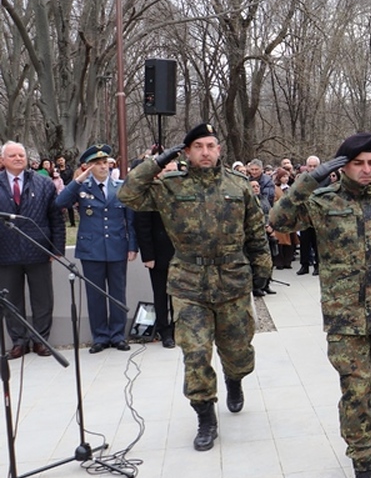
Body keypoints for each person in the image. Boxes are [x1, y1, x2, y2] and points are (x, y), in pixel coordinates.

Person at [269, 132, 371, 478]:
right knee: (356, 391)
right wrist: (311, 178)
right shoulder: (322, 202)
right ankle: (364, 463)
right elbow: (279, 219)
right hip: (345, 317)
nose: (368, 170)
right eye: (359, 163)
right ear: (343, 166)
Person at [119, 123, 272, 452]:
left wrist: (262, 269)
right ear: (186, 152)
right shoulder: (170, 186)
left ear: (219, 150)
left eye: (211, 145)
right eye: (198, 146)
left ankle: (234, 379)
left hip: (232, 279)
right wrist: (158, 161)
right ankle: (205, 416)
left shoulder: (239, 185)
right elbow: (128, 193)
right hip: (189, 282)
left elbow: (256, 231)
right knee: (196, 353)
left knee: (238, 351)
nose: (206, 152)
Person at [56, 144, 138, 353]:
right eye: (97, 164)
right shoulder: (82, 188)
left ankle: (118, 335)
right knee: (96, 294)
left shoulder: (120, 187)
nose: (103, 167)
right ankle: (100, 336)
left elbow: (131, 220)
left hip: (117, 246)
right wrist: (79, 180)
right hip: (92, 249)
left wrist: (132, 246)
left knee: (118, 293)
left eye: (105, 163)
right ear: (88, 167)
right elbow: (60, 202)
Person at [0, 141, 65, 358]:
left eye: (21, 155)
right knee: (11, 301)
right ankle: (19, 342)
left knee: (42, 299)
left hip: (38, 251)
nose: (18, 158)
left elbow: (56, 218)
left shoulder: (43, 183)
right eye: (13, 156)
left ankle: (40, 340)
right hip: (6, 254)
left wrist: (57, 248)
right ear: (2, 160)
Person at [134, 162, 177, 348]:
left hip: (182, 256)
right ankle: (165, 330)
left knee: (180, 296)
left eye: (175, 171)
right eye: (168, 171)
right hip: (159, 255)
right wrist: (148, 256)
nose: (172, 174)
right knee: (161, 295)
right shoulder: (150, 194)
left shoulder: (183, 191)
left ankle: (179, 329)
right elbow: (142, 227)